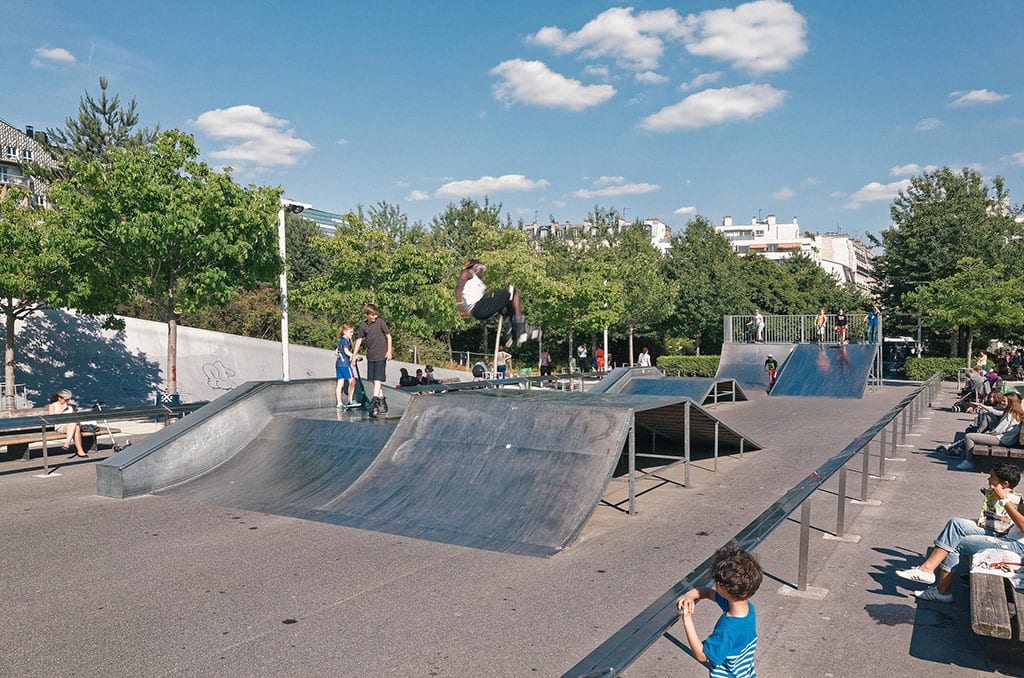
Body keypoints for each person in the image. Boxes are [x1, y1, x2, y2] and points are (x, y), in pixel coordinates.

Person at [896, 463, 1024, 603]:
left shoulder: (1005, 499)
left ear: (1004, 483)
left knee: (956, 542)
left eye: (991, 477)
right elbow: (1017, 515)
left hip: (1017, 547)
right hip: (1007, 534)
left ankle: (942, 590)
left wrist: (1004, 500)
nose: (988, 479)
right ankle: (927, 570)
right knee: (955, 524)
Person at [676, 546, 762, 677]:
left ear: (720, 586)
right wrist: (689, 596)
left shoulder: (727, 631)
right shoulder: (747, 609)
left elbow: (702, 655)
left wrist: (687, 619)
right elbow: (708, 593)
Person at [454, 259, 539, 346]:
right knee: (513, 291)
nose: (483, 273)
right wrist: (459, 305)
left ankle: (511, 331)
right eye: (482, 270)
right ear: (476, 268)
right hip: (479, 305)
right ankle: (520, 327)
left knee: (507, 302)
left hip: (479, 312)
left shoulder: (478, 284)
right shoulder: (468, 272)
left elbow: (496, 304)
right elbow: (458, 287)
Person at [954, 391, 1024, 471]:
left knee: (969, 436)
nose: (1002, 402)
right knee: (988, 416)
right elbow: (996, 410)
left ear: (1011, 403)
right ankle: (967, 446)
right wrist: (982, 406)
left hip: (1002, 440)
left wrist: (985, 434)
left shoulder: (1009, 415)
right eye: (1002, 400)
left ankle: (968, 462)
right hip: (1006, 438)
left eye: (1004, 401)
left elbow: (997, 431)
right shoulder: (1014, 412)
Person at [352, 303, 392, 414]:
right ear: (367, 315)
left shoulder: (380, 322)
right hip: (371, 355)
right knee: (374, 380)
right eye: (372, 315)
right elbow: (359, 339)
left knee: (378, 378)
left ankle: (374, 402)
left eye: (376, 314)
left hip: (381, 354)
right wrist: (354, 354)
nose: (375, 317)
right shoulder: (363, 326)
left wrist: (389, 351)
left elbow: (388, 336)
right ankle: (382, 401)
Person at [48, 389, 88, 457]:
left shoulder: (70, 407)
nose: (67, 401)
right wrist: (62, 409)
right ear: (59, 398)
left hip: (71, 426)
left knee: (76, 427)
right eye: (66, 400)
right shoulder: (53, 405)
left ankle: (69, 444)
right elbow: (51, 419)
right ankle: (78, 449)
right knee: (75, 425)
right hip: (60, 426)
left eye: (68, 399)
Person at [335, 324, 357, 408]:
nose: (352, 334)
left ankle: (339, 403)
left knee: (340, 383)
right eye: (350, 332)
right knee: (352, 381)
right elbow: (346, 351)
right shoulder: (345, 341)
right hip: (345, 365)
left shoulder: (341, 340)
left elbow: (336, 352)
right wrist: (354, 356)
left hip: (338, 364)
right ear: (344, 332)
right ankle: (350, 400)